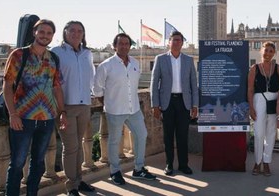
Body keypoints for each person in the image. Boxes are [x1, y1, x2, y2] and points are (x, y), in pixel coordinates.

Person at [3, 19, 66, 196]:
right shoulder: (19, 55)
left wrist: (62, 112)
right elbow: (7, 85)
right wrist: (12, 114)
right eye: (42, 32)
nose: (45, 36)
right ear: (34, 32)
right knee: (17, 162)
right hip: (23, 118)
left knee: (38, 163)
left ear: (52, 36)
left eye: (49, 33)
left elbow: (57, 88)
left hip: (47, 119)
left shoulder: (53, 58)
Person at [94, 33, 156, 185]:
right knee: (114, 141)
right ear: (115, 46)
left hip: (134, 108)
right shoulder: (106, 66)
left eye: (127, 43)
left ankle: (139, 169)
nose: (124, 46)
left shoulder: (135, 62)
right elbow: (97, 90)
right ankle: (115, 171)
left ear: (130, 46)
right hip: (115, 111)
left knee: (142, 135)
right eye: (120, 43)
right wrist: (109, 102)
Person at [52, 21, 96, 196]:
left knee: (77, 146)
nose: (76, 33)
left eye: (80, 31)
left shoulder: (87, 53)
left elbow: (91, 77)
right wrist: (60, 108)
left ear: (83, 34)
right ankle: (71, 186)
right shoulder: (56, 53)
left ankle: (78, 180)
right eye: (72, 30)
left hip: (84, 104)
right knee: (70, 147)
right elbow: (53, 81)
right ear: (65, 32)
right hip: (65, 107)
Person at [151, 31, 199, 176]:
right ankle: (169, 164)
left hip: (184, 103)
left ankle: (184, 165)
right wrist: (155, 105)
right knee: (168, 136)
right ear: (169, 42)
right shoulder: (160, 59)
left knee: (182, 136)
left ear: (182, 43)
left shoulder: (188, 60)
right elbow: (154, 83)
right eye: (174, 40)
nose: (177, 42)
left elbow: (193, 84)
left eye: (179, 40)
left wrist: (195, 105)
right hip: (167, 103)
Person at [247, 41, 279, 176]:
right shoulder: (254, 68)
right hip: (259, 100)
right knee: (258, 132)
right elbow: (250, 89)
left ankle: (266, 162)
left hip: (274, 101)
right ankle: (257, 161)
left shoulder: (278, 68)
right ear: (261, 51)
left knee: (271, 133)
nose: (268, 53)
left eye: (271, 51)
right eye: (266, 50)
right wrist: (251, 107)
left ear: (274, 53)